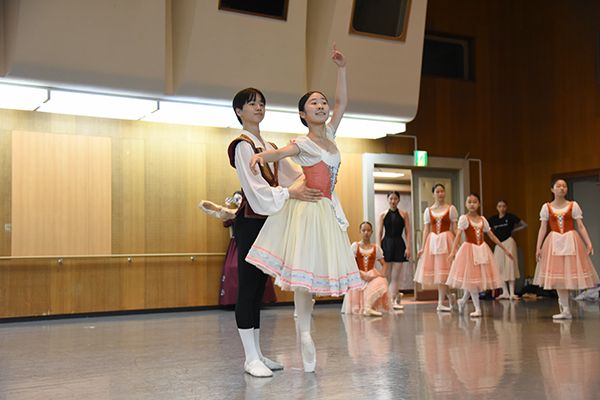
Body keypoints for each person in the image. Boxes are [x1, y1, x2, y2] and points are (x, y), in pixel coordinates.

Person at [245, 45, 362, 372]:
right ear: (302, 113)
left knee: (315, 275)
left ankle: (304, 324)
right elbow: (279, 153)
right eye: (314, 103)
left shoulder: (331, 134)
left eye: (323, 102)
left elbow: (343, 103)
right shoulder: (303, 142)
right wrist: (259, 156)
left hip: (328, 210)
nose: (322, 105)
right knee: (303, 276)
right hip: (308, 212)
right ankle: (305, 332)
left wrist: (342, 68)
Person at [227, 87, 322, 377]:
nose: (258, 107)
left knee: (260, 289)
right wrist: (290, 193)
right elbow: (256, 190)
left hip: (269, 222)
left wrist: (318, 175)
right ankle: (249, 357)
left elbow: (293, 175)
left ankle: (257, 354)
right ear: (239, 111)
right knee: (248, 287)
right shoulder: (242, 146)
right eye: (251, 104)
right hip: (250, 222)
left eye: (261, 103)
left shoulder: (269, 146)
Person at [533, 178, 599, 319]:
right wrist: (538, 247)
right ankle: (565, 309)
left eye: (564, 186)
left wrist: (589, 243)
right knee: (558, 277)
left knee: (568, 274)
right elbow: (542, 228)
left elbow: (580, 225)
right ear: (552, 189)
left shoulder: (573, 205)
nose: (562, 188)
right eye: (558, 186)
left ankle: (566, 307)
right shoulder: (546, 207)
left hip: (570, 240)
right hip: (553, 242)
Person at [198, 193, 277, 306]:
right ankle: (235, 300)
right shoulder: (238, 213)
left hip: (257, 244)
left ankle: (259, 300)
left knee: (259, 272)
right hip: (237, 245)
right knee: (235, 270)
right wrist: (223, 207)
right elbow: (225, 220)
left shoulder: (256, 211)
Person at [446, 193, 512, 317]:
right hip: (469, 251)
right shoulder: (464, 219)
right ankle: (477, 308)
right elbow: (458, 235)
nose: (472, 204)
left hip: (482, 250)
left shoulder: (482, 219)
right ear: (466, 204)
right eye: (469, 202)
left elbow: (491, 236)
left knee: (474, 281)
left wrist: (504, 249)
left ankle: (462, 301)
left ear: (479, 204)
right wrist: (452, 252)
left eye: (475, 202)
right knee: (473, 280)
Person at [414, 183, 459, 312]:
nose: (440, 194)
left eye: (442, 191)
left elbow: (455, 228)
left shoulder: (451, 209)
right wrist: (422, 247)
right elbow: (426, 229)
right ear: (433, 194)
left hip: (447, 241)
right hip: (433, 242)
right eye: (437, 192)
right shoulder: (428, 211)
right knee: (440, 274)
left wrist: (460, 243)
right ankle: (446, 298)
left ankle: (442, 301)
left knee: (443, 274)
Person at [342, 221, 392, 316]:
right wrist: (360, 274)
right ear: (360, 232)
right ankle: (366, 308)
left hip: (371, 275)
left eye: (368, 230)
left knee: (382, 282)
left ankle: (368, 307)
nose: (366, 233)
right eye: (364, 230)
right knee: (357, 286)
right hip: (358, 275)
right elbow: (350, 263)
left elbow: (384, 264)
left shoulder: (376, 248)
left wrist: (381, 274)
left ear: (371, 232)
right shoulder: (355, 246)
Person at [377, 191, 411, 310]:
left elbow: (408, 232)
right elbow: (379, 232)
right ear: (388, 200)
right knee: (386, 275)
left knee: (395, 276)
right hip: (386, 244)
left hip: (399, 244)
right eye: (391, 198)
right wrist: (378, 248)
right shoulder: (382, 215)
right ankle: (395, 296)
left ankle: (392, 301)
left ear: (398, 200)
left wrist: (408, 247)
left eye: (395, 199)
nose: (393, 201)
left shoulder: (404, 214)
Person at [488, 200, 527, 300]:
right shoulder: (493, 219)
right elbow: (485, 227)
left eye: (504, 206)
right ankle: (504, 292)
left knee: (510, 266)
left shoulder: (510, 217)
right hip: (498, 244)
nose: (502, 208)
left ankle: (512, 292)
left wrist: (514, 230)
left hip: (509, 242)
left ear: (506, 207)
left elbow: (524, 225)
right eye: (499, 206)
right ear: (497, 208)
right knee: (498, 267)